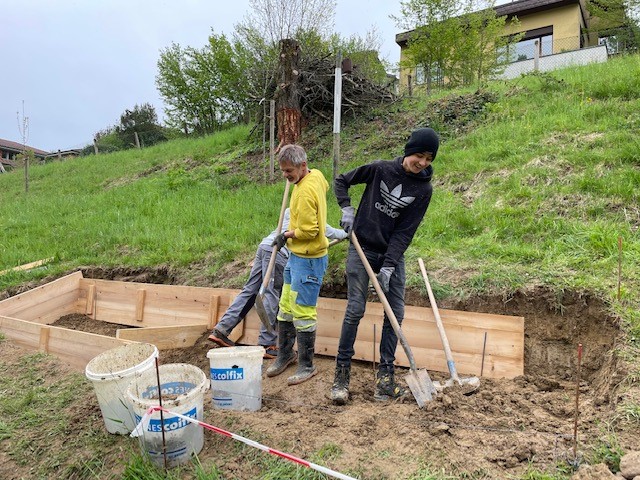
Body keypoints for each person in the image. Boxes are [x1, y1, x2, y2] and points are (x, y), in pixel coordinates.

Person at [329, 127, 440, 404]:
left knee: (395, 314)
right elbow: (342, 181)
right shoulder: (380, 169)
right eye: (419, 155)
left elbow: (405, 231)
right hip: (361, 248)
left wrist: (390, 265)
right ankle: (341, 378)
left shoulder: (423, 190)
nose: (423, 163)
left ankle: (385, 381)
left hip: (391, 253)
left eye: (429, 158)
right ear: (408, 150)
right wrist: (346, 208)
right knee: (355, 310)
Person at [208, 209, 347, 359]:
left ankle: (222, 330)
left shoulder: (291, 209)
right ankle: (266, 344)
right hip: (278, 252)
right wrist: (347, 232)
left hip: (266, 246)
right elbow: (327, 231)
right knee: (271, 296)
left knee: (250, 291)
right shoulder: (309, 211)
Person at [266, 144, 330, 385]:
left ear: (303, 166)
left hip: (309, 259)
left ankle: (307, 365)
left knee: (303, 312)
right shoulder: (316, 175)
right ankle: (285, 354)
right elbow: (320, 185)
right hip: (296, 256)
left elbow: (311, 230)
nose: (285, 176)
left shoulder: (304, 192)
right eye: (283, 171)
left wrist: (287, 234)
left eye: (289, 171)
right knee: (285, 307)